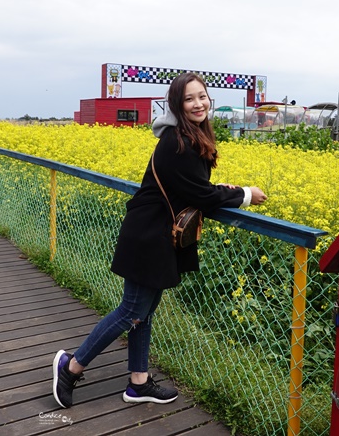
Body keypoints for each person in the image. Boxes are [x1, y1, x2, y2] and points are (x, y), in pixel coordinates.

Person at [52, 72, 268, 408]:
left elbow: (191, 186)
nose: (198, 104)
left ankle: (138, 383)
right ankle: (71, 366)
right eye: (189, 99)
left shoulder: (187, 136)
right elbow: (201, 194)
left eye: (202, 96)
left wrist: (219, 189)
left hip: (155, 234)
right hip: (149, 237)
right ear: (177, 105)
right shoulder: (177, 142)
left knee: (143, 311)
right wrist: (244, 194)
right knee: (131, 311)